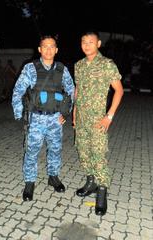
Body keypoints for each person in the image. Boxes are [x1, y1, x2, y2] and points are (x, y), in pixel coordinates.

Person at [12, 35, 75, 201]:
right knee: (32, 151)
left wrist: (65, 113)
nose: (48, 49)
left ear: (56, 50)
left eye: (51, 46)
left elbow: (71, 91)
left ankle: (53, 177)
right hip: (36, 119)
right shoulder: (30, 68)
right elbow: (18, 91)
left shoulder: (62, 69)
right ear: (39, 49)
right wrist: (20, 113)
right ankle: (29, 182)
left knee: (55, 149)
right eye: (45, 46)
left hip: (55, 119)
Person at [73, 30, 124, 216]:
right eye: (83, 42)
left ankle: (102, 190)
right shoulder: (78, 65)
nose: (87, 45)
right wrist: (74, 113)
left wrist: (109, 116)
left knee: (98, 154)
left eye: (91, 42)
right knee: (83, 151)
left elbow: (119, 91)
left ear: (99, 44)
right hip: (81, 120)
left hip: (98, 120)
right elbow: (78, 90)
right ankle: (91, 182)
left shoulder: (107, 64)